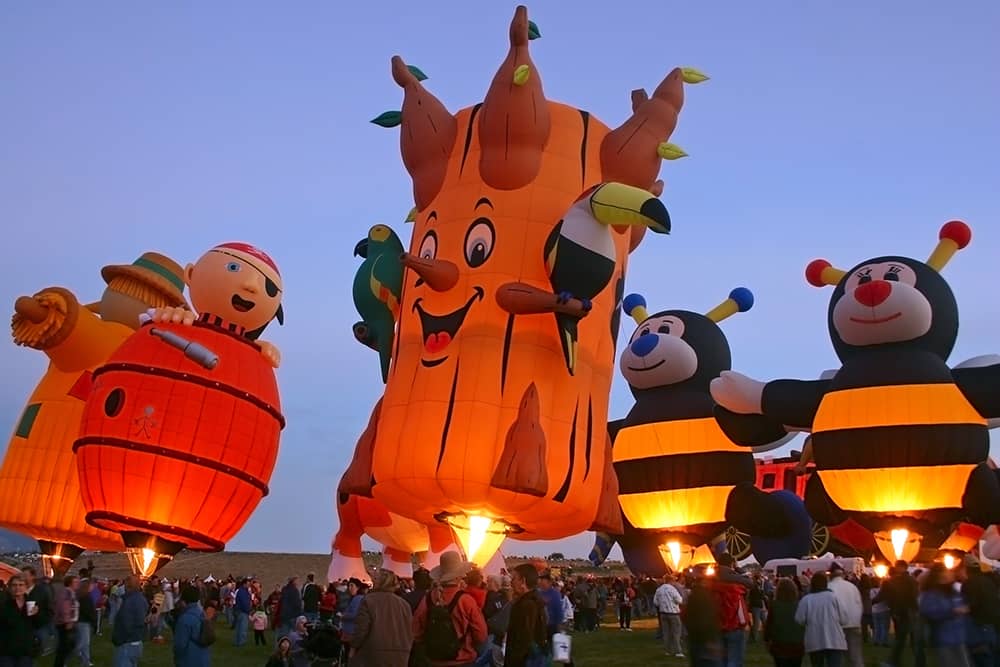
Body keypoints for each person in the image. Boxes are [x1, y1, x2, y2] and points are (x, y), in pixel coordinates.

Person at [412, 551, 488, 667]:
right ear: (459, 576)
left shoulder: (428, 598)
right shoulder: (466, 600)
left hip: (433, 660)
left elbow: (416, 631)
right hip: (463, 660)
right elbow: (481, 635)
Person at [349, 569, 413, 666]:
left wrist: (353, 647)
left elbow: (361, 629)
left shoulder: (368, 600)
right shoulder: (404, 604)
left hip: (373, 655)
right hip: (400, 655)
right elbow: (410, 630)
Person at [919, 562, 971, 667]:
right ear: (940, 576)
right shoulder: (931, 594)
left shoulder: (954, 592)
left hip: (959, 638)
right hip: (943, 640)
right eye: (947, 571)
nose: (951, 573)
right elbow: (929, 611)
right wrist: (952, 611)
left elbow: (962, 604)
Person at [794, 572, 847, 667]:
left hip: (815, 640)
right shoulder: (834, 597)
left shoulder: (806, 600)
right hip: (834, 639)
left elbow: (799, 619)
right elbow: (844, 618)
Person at [505, 564, 549, 667]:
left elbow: (522, 639)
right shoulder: (535, 600)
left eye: (514, 579)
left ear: (523, 581)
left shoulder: (526, 605)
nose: (511, 582)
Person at [0, 574, 42, 666]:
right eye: (14, 585)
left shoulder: (32, 602)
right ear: (10, 587)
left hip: (26, 650)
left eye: (21, 585)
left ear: (26, 587)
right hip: (6, 650)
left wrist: (36, 614)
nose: (17, 588)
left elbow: (38, 624)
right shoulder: (3, 603)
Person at [826, 564, 862, 667]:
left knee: (837, 658)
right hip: (854, 624)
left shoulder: (829, 587)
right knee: (855, 657)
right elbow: (859, 604)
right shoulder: (852, 587)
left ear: (831, 574)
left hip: (837, 626)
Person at [763, 578, 804, 667]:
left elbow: (769, 625)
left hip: (779, 645)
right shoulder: (799, 605)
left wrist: (766, 639)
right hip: (797, 645)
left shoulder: (774, 605)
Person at [682, 576, 722, 666]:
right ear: (704, 582)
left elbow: (685, 615)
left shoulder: (693, 595)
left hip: (694, 639)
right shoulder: (704, 596)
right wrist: (710, 639)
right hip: (705, 640)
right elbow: (706, 619)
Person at [111, 576, 149, 667]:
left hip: (127, 643)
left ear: (127, 586)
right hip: (137, 641)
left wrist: (118, 639)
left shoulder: (129, 601)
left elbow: (126, 624)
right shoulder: (142, 599)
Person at [173, 586, 212, 667]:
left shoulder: (184, 619)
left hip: (188, 660)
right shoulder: (202, 614)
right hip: (203, 658)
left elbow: (180, 645)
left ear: (184, 600)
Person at [655, 573, 685, 658]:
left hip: (663, 614)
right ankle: (678, 651)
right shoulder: (672, 589)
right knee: (676, 633)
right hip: (673, 613)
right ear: (671, 581)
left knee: (666, 632)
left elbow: (655, 602)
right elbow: (679, 600)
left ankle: (667, 650)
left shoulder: (659, 590)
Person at [53, 575, 79, 667]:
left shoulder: (71, 592)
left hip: (69, 622)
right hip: (65, 623)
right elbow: (64, 607)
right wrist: (68, 621)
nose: (78, 584)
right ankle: (60, 664)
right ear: (70, 583)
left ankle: (62, 663)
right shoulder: (66, 592)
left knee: (68, 645)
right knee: (64, 646)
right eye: (75, 582)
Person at [233, 579, 252, 647]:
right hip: (243, 612)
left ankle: (237, 641)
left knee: (238, 627)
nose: (249, 585)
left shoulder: (242, 591)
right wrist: (248, 610)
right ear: (244, 584)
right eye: (248, 583)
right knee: (242, 628)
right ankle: (241, 642)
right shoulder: (242, 592)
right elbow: (244, 603)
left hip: (239, 611)